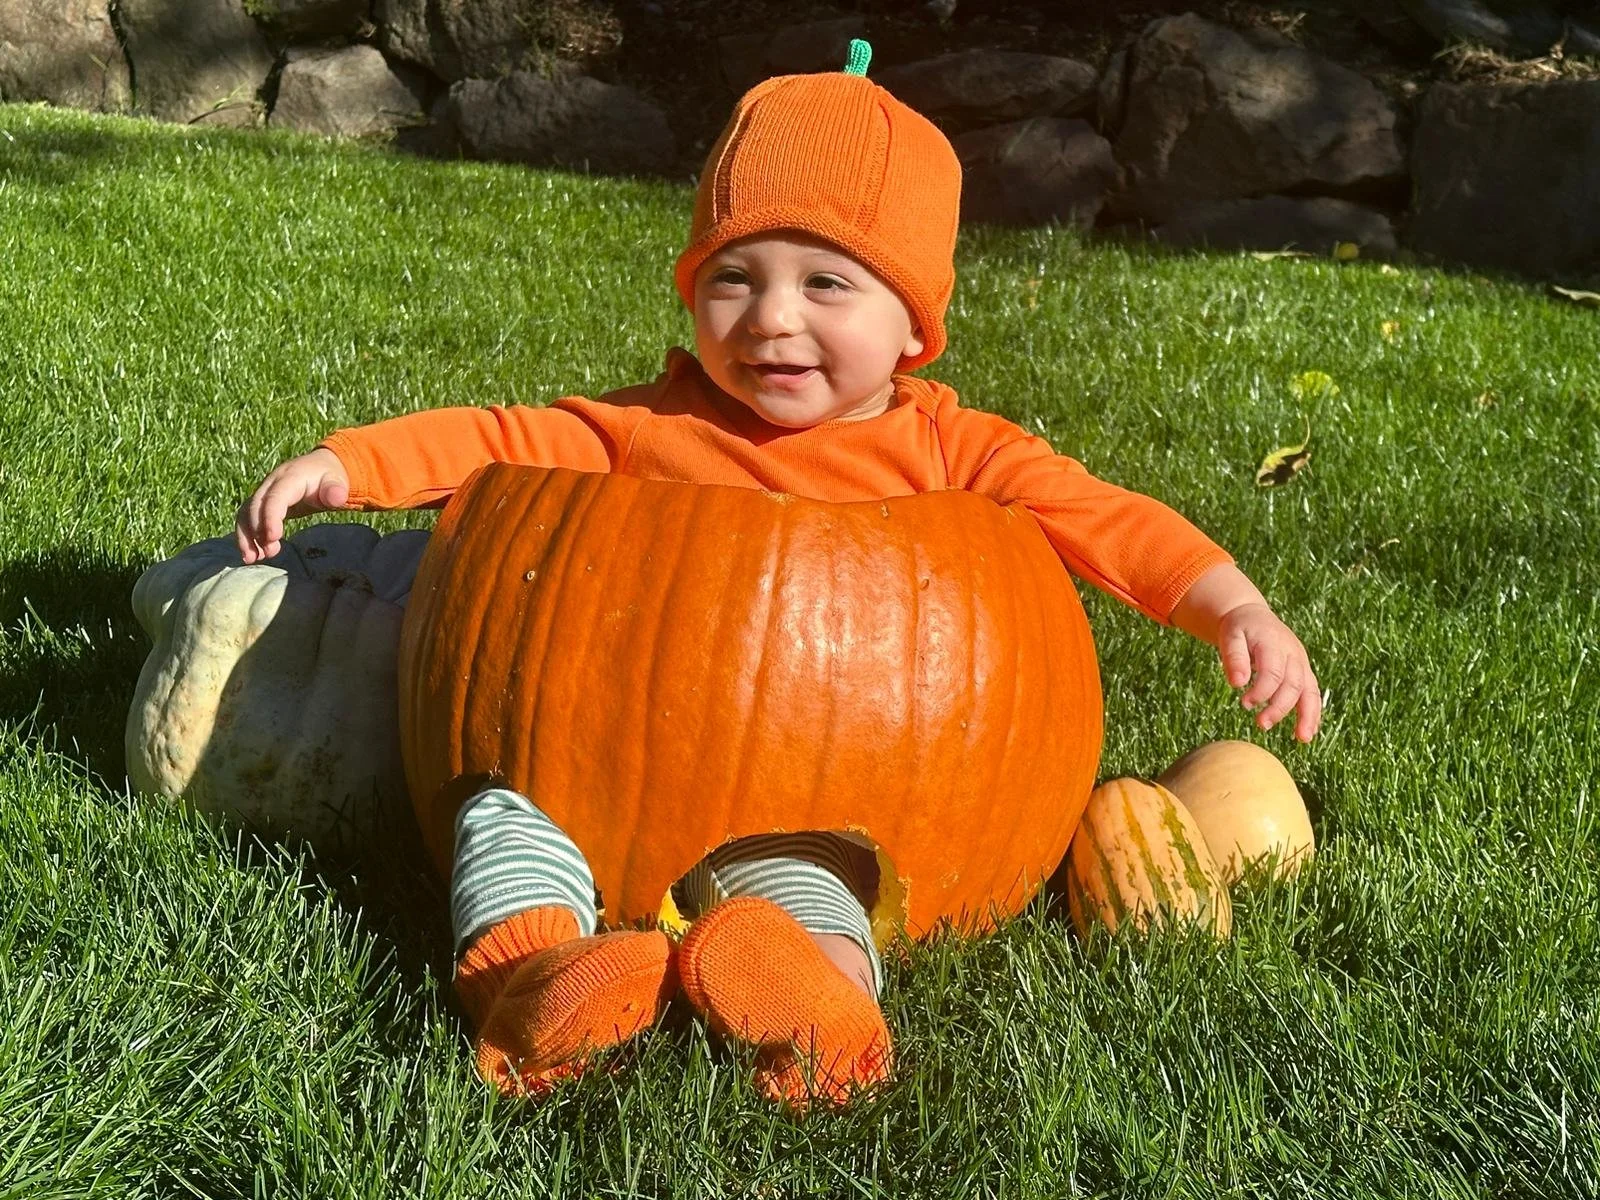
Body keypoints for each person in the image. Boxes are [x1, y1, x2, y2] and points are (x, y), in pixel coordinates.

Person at [234, 41, 1321, 1111]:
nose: (771, 318)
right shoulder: (647, 425)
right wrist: (351, 465)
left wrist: (1229, 603)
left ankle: (819, 1007)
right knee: (505, 824)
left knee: (811, 890)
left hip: (816, 803)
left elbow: (1105, 520)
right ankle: (538, 977)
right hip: (593, 774)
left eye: (826, 283)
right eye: (732, 278)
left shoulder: (953, 453)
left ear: (913, 325)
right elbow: (496, 438)